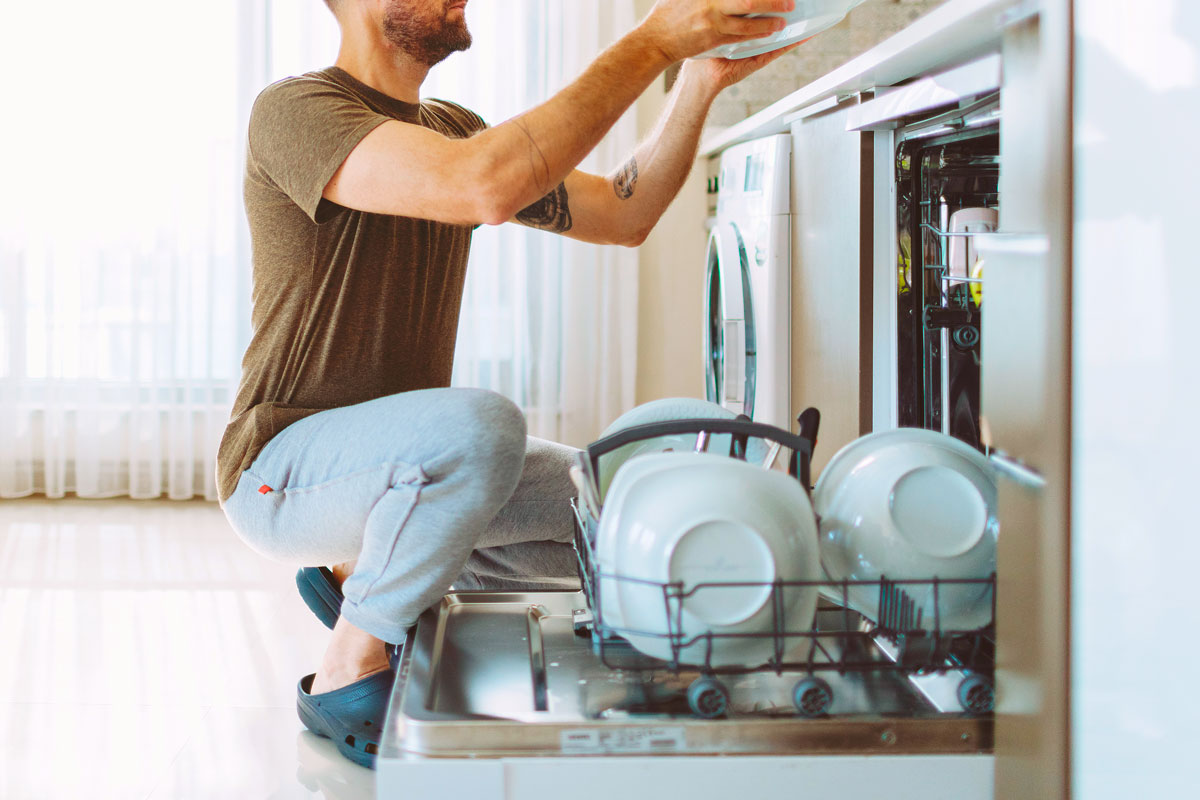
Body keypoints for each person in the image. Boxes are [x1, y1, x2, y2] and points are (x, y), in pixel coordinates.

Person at [217, 0, 800, 767]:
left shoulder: (452, 128)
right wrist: (654, 39)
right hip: (280, 471)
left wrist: (696, 80)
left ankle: (364, 570)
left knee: (618, 512)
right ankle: (346, 667)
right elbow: (482, 185)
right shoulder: (298, 110)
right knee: (482, 427)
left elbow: (623, 213)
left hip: (399, 472)